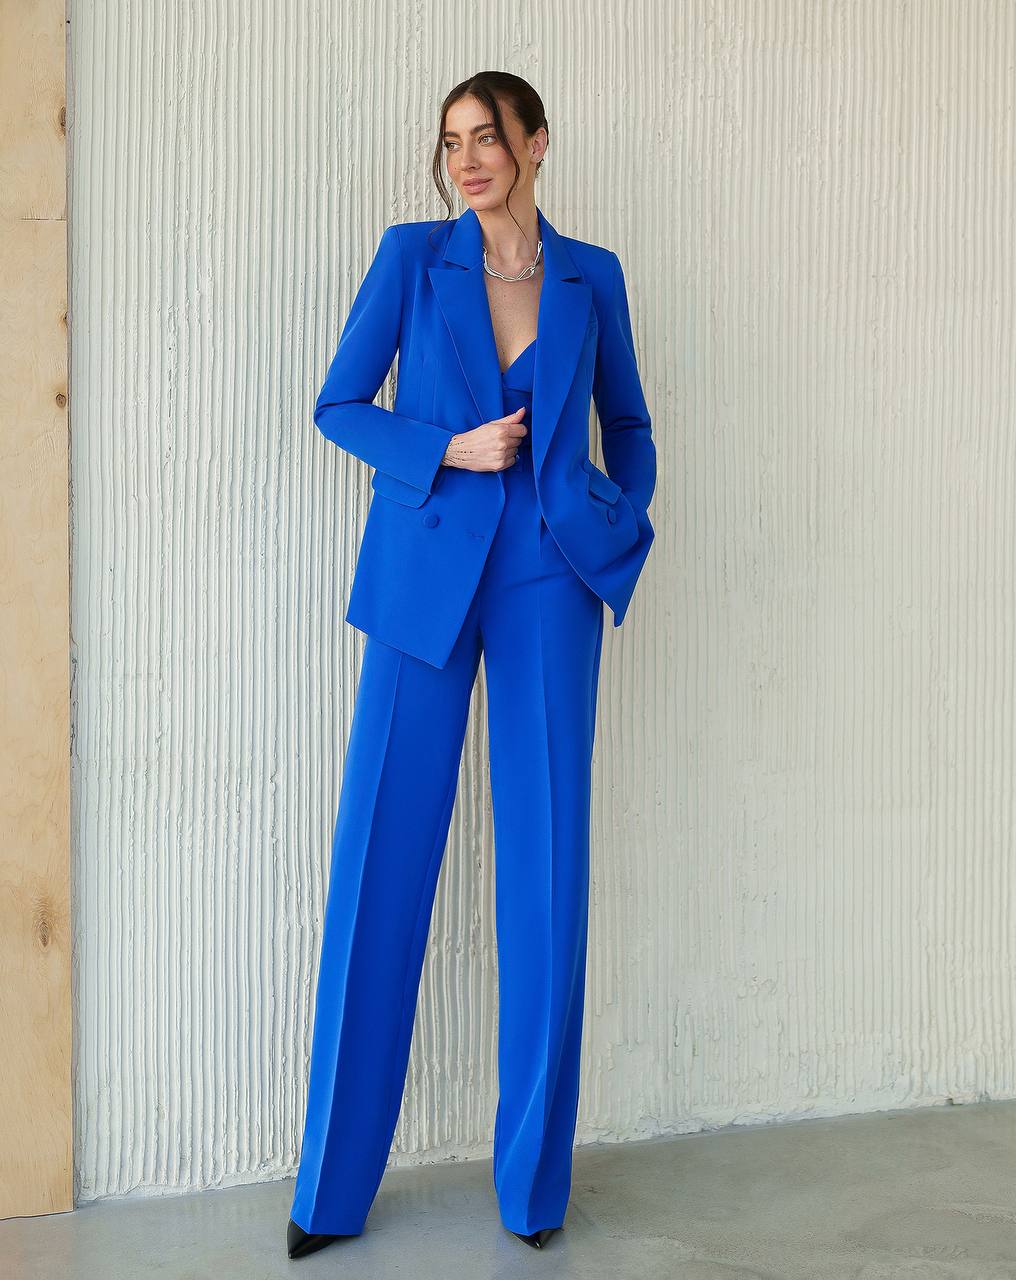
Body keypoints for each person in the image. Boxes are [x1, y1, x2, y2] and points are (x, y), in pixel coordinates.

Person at [287, 70, 656, 1260]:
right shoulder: (410, 256)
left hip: (549, 579)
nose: (466, 160)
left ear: (537, 142)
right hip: (426, 574)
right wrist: (441, 444)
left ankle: (533, 1190)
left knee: (547, 873)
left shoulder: (589, 273)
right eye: (450, 143)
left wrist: (611, 511)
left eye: (486, 138)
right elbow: (339, 404)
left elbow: (630, 423)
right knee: (378, 867)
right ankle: (328, 1191)